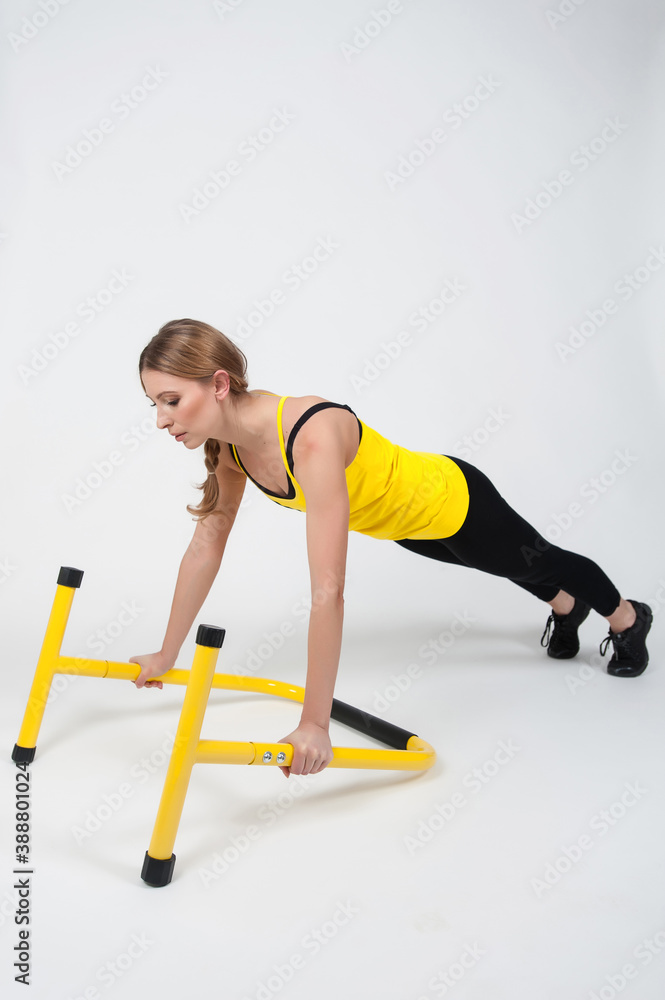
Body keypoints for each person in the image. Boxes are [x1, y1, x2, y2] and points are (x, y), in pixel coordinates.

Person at [129, 318, 653, 778]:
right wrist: (167, 652)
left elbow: (327, 592)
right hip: (406, 527)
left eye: (171, 401)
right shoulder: (232, 453)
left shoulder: (309, 437)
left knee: (533, 557)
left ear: (219, 383)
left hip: (454, 501)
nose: (160, 419)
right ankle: (566, 608)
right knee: (503, 564)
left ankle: (629, 619)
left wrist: (314, 723)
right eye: (155, 404)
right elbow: (205, 548)